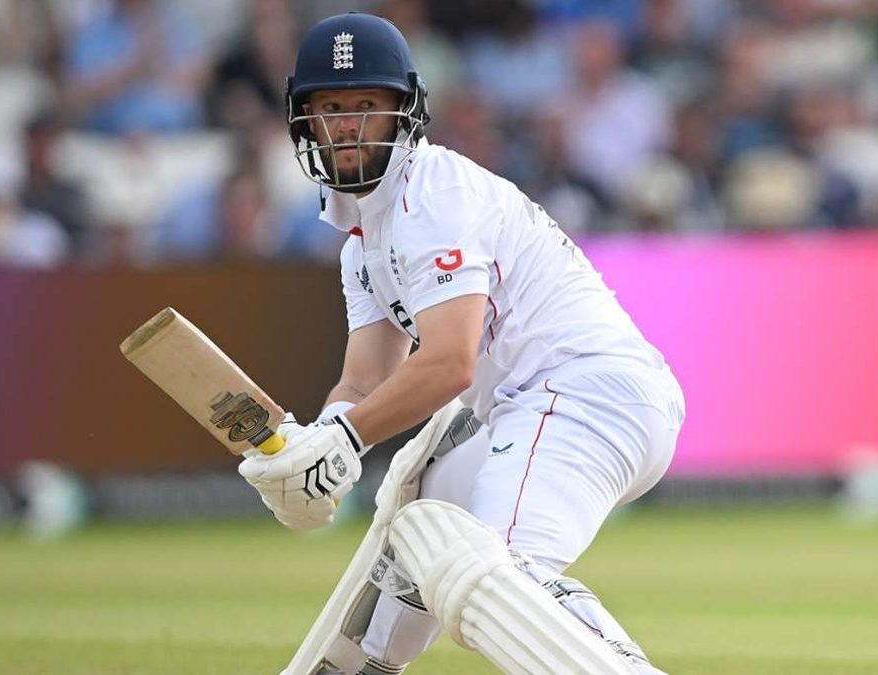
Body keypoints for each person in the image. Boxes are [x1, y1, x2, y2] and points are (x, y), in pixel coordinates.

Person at [238, 13, 684, 675]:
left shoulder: (432, 196)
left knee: (497, 583)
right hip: (529, 407)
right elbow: (364, 379)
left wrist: (346, 441)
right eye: (331, 109)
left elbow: (450, 363)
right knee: (422, 517)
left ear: (405, 113)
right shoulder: (363, 241)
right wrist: (317, 446)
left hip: (581, 393)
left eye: (366, 106)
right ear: (304, 120)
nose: (348, 126)